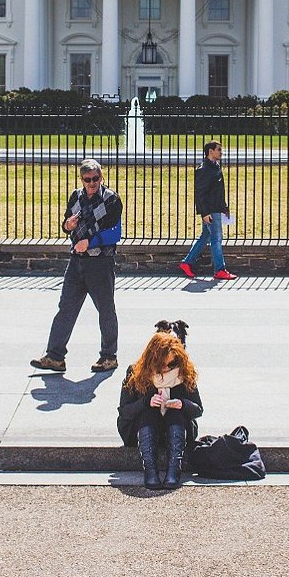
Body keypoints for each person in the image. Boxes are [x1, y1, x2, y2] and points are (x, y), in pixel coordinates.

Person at [31, 159, 123, 373]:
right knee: (66, 308)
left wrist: (90, 242)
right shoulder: (76, 196)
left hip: (100, 262)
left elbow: (115, 233)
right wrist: (67, 225)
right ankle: (55, 356)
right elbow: (67, 223)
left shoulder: (112, 199)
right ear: (82, 179)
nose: (92, 183)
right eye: (87, 179)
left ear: (101, 177)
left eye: (96, 178)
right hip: (77, 261)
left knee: (106, 310)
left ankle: (109, 357)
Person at [117, 331, 203, 489]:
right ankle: (150, 470)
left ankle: (174, 470)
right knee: (148, 412)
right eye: (161, 364)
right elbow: (124, 411)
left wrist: (182, 404)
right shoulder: (135, 372)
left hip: (176, 428)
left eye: (171, 364)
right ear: (152, 360)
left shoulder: (183, 372)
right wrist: (146, 402)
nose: (166, 369)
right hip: (142, 429)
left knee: (176, 413)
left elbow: (198, 409)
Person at [179, 140, 235, 280]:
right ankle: (219, 270)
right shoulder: (204, 169)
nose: (221, 152)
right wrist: (204, 213)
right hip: (210, 210)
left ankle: (187, 262)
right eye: (219, 149)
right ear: (211, 151)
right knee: (216, 238)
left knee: (206, 236)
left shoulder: (214, 167)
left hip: (215, 208)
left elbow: (218, 191)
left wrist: (224, 207)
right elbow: (200, 193)